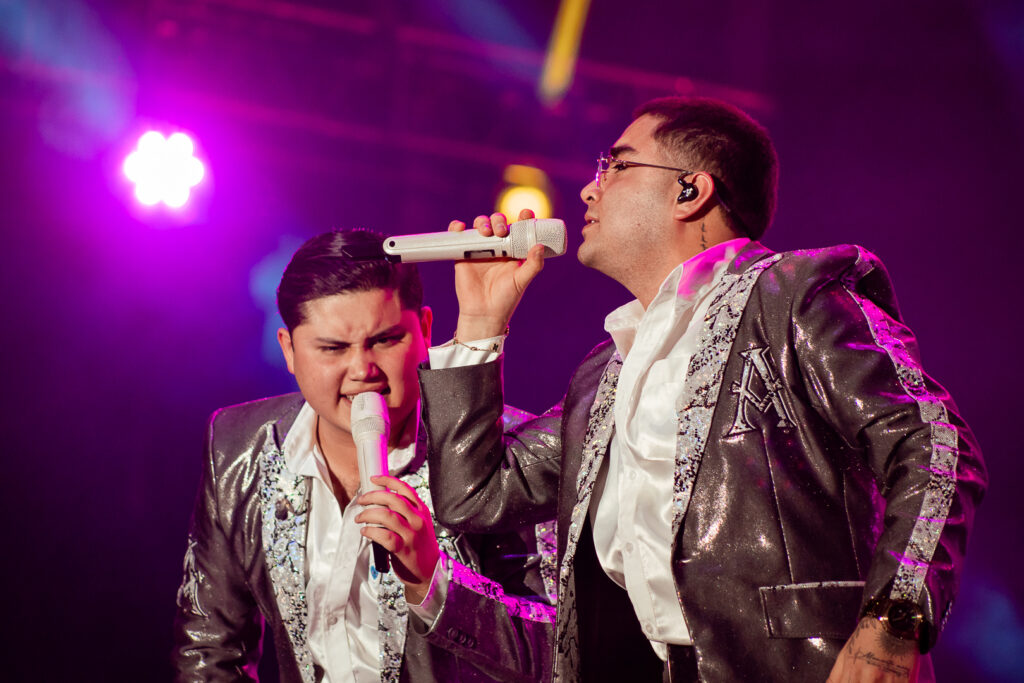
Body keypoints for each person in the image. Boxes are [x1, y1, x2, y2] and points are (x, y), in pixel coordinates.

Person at [417, 97, 986, 682]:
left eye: (616, 166)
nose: (589, 190)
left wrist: (893, 624)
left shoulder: (793, 300)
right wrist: (479, 325)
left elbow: (936, 446)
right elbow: (475, 498)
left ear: (690, 190)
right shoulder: (605, 374)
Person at [172, 229, 554, 683]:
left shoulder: (505, 453)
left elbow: (558, 654)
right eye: (333, 348)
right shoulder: (239, 445)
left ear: (424, 330)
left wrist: (433, 582)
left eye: (386, 340)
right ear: (289, 350)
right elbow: (209, 646)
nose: (362, 370)